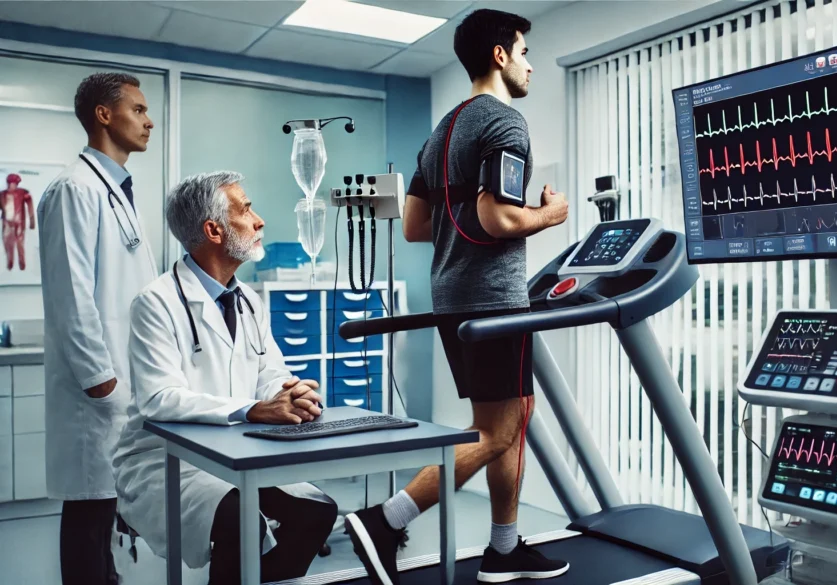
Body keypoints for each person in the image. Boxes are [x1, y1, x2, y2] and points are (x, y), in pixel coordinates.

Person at [344, 9, 570, 585]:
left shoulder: (441, 132)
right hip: (493, 299)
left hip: (451, 295)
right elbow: (497, 218)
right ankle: (384, 520)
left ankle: (503, 547)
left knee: (511, 419)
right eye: (523, 52)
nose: (529, 63)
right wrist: (550, 215)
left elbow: (416, 226)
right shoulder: (505, 123)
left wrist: (472, 214)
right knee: (496, 432)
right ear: (500, 56)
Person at [112, 171, 338, 584]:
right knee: (241, 521)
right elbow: (159, 398)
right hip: (165, 461)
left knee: (317, 511)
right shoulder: (156, 303)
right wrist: (253, 409)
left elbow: (270, 373)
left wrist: (291, 394)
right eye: (246, 209)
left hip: (235, 455)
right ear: (213, 230)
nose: (259, 220)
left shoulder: (250, 302)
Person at [37, 71, 159, 585]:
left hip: (123, 388)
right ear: (104, 115)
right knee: (89, 521)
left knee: (106, 518)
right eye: (137, 109)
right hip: (99, 394)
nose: (149, 121)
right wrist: (101, 381)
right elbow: (71, 296)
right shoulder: (75, 189)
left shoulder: (116, 191)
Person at [1, 173, 36, 271]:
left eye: (14, 183)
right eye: (10, 183)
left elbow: (30, 206)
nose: (12, 185)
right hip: (7, 223)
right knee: (8, 243)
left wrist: (32, 221)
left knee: (19, 243)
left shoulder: (23, 193)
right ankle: (10, 263)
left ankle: (22, 263)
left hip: (19, 222)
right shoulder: (2, 194)